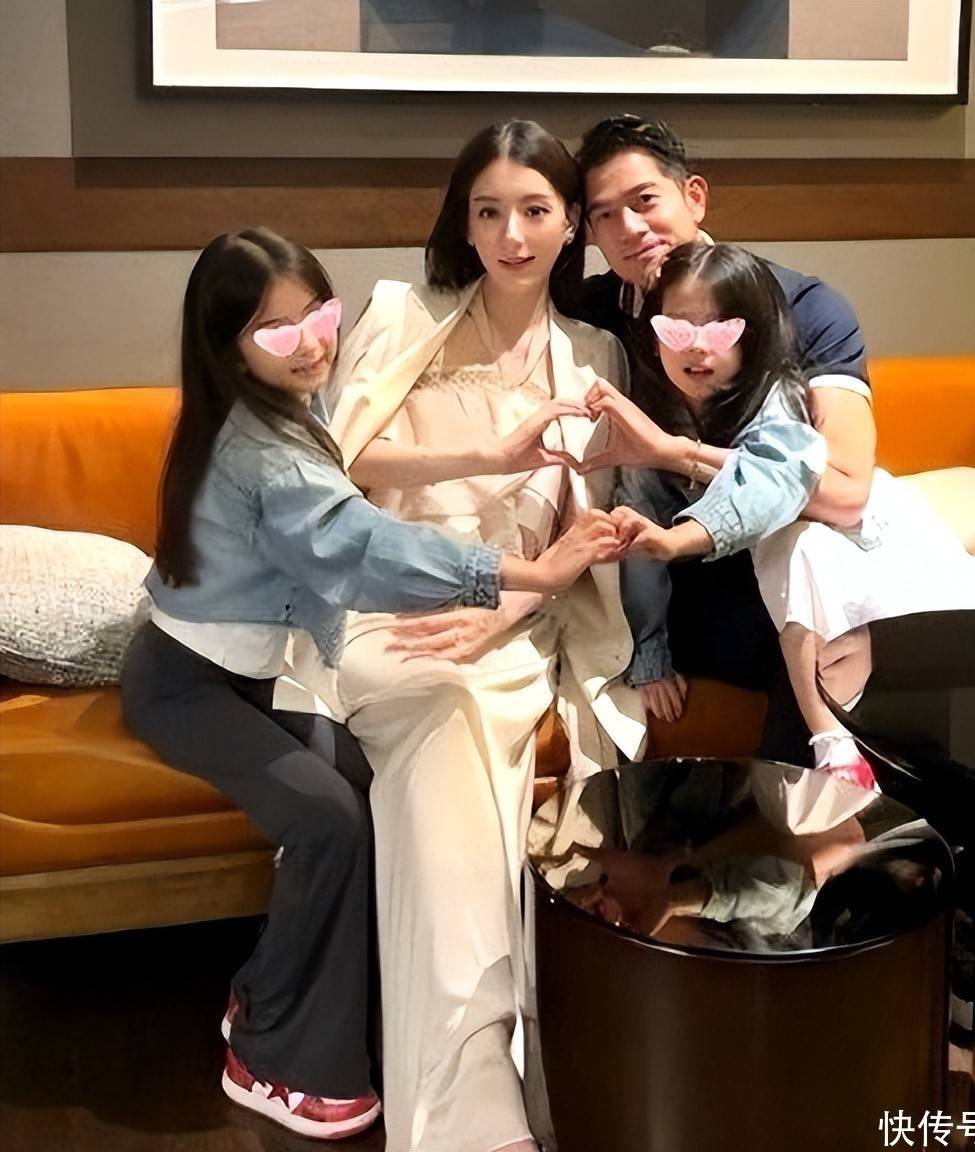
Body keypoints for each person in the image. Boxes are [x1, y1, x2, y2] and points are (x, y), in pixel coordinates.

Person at [119, 228, 622, 1142]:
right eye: (276, 331)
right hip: (188, 685)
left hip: (256, 675)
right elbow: (363, 548)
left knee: (361, 781)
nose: (311, 342)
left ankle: (275, 990)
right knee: (328, 821)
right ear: (226, 344)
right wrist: (528, 575)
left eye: (319, 314)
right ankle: (270, 1053)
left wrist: (492, 466)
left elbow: (353, 498)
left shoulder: (284, 406)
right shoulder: (261, 451)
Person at [324, 121, 645, 1152]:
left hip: (514, 622)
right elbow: (341, 464)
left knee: (461, 726)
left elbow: (580, 536)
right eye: (489, 211)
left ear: (570, 226)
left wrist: (499, 611)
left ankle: (476, 1097)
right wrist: (486, 453)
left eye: (535, 211)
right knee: (439, 705)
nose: (512, 235)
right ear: (462, 223)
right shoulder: (399, 314)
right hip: (385, 604)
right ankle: (476, 1093)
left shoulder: (594, 356)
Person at [591, 242, 975, 789]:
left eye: (720, 330)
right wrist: (651, 653)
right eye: (677, 329)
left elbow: (772, 483)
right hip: (757, 585)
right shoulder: (649, 407)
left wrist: (680, 531)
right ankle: (830, 772)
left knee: (806, 570)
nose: (696, 346)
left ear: (754, 334)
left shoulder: (777, 397)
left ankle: (843, 766)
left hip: (848, 552)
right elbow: (639, 533)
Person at [574, 115, 876, 759]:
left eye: (645, 200)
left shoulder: (802, 310)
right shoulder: (590, 316)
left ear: (695, 197)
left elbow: (847, 492)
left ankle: (827, 809)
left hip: (771, 576)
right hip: (661, 587)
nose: (629, 228)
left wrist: (675, 452)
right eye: (604, 215)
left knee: (823, 603)